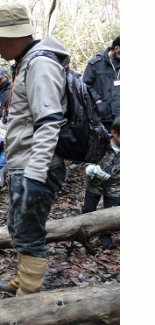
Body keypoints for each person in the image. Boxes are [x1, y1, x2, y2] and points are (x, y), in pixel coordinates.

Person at [0, 2, 69, 296]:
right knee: (18, 227)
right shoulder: (25, 62)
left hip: (36, 166)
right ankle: (24, 277)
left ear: (15, 34)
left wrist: (34, 175)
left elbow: (50, 122)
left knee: (29, 232)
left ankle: (27, 299)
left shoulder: (40, 65)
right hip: (23, 163)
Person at [82, 117, 120, 247]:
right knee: (88, 210)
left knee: (109, 213)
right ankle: (84, 234)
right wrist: (91, 168)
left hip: (115, 187)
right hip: (94, 184)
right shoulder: (101, 143)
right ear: (114, 133)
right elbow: (88, 158)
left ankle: (105, 237)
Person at [83, 36, 120, 132]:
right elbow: (85, 85)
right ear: (117, 48)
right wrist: (97, 100)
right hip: (103, 115)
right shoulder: (95, 64)